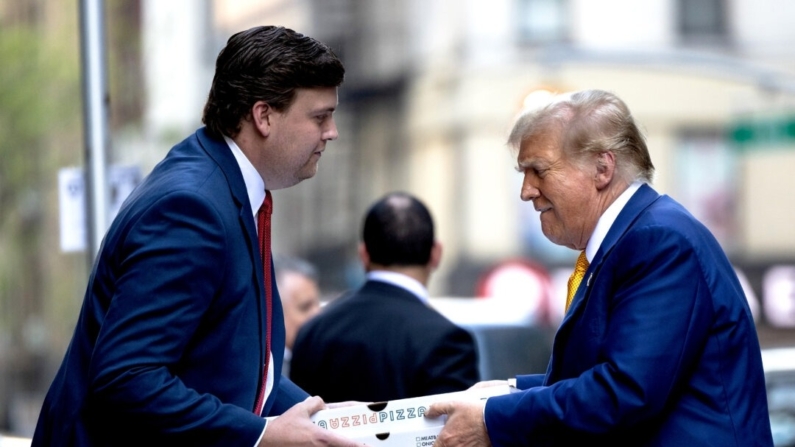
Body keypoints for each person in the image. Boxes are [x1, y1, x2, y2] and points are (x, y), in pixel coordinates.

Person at [32, 26, 362, 447]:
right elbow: (126, 377)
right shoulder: (192, 208)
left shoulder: (228, 185)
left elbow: (241, 370)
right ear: (263, 116)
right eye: (319, 116)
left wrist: (323, 416)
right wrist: (262, 435)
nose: (331, 131)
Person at [427, 89, 773, 446]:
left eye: (538, 171)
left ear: (602, 168)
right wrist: (506, 392)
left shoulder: (659, 241)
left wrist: (490, 419)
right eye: (523, 173)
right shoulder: (635, 239)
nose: (526, 191)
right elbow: (597, 374)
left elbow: (625, 392)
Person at [290, 192, 480, 402]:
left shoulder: (314, 330)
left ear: (363, 254)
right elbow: (456, 430)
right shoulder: (446, 341)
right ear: (436, 253)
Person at [273, 255, 322, 377]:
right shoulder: (266, 374)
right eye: (305, 307)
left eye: (317, 305)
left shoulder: (323, 360)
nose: (317, 314)